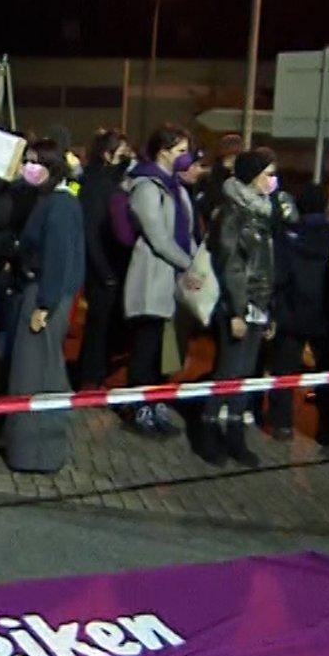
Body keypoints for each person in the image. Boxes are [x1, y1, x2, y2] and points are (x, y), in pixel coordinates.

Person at [5, 138, 85, 473]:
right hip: (40, 291)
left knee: (37, 373)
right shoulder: (50, 199)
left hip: (44, 297)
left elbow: (58, 259)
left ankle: (37, 454)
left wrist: (45, 305)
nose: (29, 167)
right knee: (37, 370)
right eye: (28, 160)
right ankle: (31, 450)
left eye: (37, 162)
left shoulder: (61, 204)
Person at [198, 147, 280, 467]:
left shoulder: (264, 211)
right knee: (228, 373)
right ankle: (207, 432)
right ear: (251, 175)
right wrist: (236, 310)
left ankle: (234, 435)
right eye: (268, 174)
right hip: (238, 306)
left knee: (245, 375)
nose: (273, 181)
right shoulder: (232, 212)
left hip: (259, 305)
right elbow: (232, 265)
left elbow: (267, 265)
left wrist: (269, 308)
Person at [121, 125, 202, 437]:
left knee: (163, 352)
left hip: (173, 280)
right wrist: (189, 266)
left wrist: (197, 267)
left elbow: (187, 233)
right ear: (163, 151)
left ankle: (155, 405)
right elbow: (158, 238)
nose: (186, 157)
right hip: (151, 278)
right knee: (146, 347)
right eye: (180, 150)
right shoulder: (147, 186)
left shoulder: (176, 188)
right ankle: (138, 408)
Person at [266, 183, 329, 442]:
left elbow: (278, 275)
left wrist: (274, 308)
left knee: (283, 373)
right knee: (328, 374)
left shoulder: (286, 236)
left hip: (291, 313)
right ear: (326, 206)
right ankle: (328, 429)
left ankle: (282, 424)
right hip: (325, 314)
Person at [75, 129, 135, 389]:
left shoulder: (112, 184)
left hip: (111, 266)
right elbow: (90, 231)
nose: (127, 160)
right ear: (107, 155)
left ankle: (94, 372)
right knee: (98, 327)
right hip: (102, 267)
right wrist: (104, 273)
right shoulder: (95, 184)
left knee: (105, 326)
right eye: (122, 155)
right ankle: (90, 378)